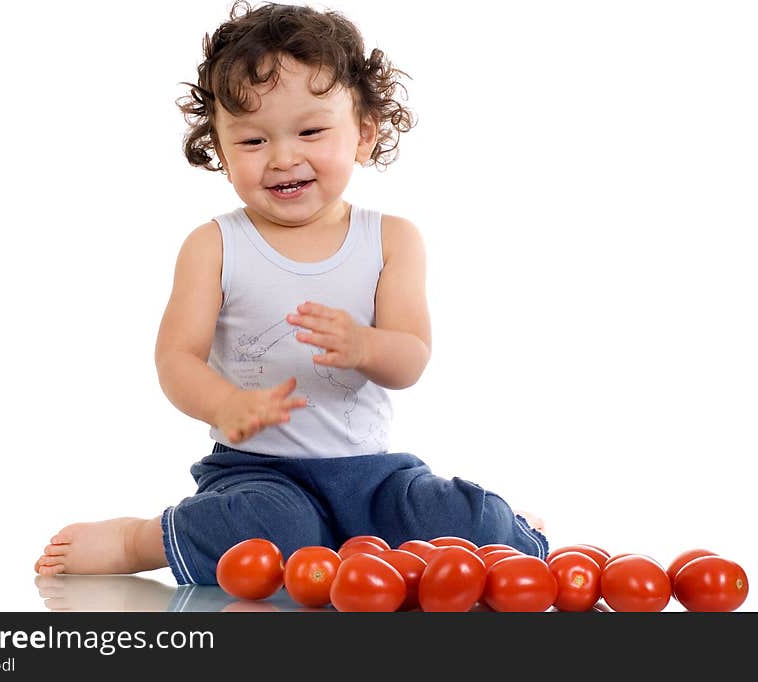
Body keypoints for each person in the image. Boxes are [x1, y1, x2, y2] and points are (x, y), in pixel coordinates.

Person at [34, 0, 548, 587]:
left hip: (371, 475)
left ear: (364, 133)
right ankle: (139, 539)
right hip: (256, 474)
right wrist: (224, 404)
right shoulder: (214, 245)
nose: (283, 158)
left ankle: (511, 531)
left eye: (310, 131)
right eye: (252, 141)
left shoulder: (391, 240)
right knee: (266, 530)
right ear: (220, 150)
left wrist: (363, 345)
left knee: (451, 519)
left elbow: (411, 359)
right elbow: (175, 359)